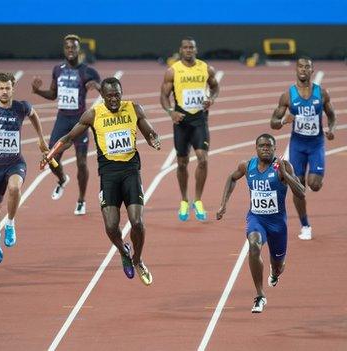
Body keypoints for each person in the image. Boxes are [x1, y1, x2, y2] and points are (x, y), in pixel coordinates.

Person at [43, 77, 161, 285]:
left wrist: (153, 139)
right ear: (103, 96)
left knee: (138, 223)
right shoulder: (93, 115)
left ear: (121, 93)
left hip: (131, 172)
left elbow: (149, 132)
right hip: (108, 175)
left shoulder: (134, 109)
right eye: (109, 96)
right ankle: (123, 250)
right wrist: (51, 153)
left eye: (117, 95)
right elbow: (69, 138)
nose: (114, 99)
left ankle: (138, 259)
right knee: (111, 227)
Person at [216, 134, 305, 313]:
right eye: (262, 146)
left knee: (278, 265)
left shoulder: (283, 166)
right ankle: (260, 295)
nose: (265, 148)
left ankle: (275, 272)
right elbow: (232, 178)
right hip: (257, 219)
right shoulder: (247, 166)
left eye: (269, 146)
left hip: (278, 224)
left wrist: (285, 175)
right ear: (256, 148)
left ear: (274, 149)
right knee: (254, 245)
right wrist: (223, 204)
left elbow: (301, 192)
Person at [0, 72, 48, 264]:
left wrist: (40, 138)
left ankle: (10, 223)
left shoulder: (21, 107)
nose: (4, 91)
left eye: (7, 88)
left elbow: (34, 115)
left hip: (15, 162)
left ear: (12, 88)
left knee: (15, 188)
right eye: (1, 88)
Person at [31, 34, 101, 215]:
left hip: (80, 121)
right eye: (68, 47)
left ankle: (81, 200)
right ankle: (62, 179)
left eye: (74, 47)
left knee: (81, 162)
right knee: (51, 157)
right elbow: (53, 94)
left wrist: (98, 87)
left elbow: (106, 91)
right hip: (62, 120)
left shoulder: (87, 71)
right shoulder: (58, 70)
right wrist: (38, 91)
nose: (71, 50)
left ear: (79, 50)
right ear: (64, 50)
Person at [269, 57, 337, 240]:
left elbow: (331, 116)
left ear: (312, 70)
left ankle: (315, 178)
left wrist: (331, 129)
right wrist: (284, 121)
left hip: (316, 145)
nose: (304, 69)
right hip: (297, 146)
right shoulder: (288, 96)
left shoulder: (321, 94)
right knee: (298, 188)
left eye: (307, 67)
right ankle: (305, 225)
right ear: (296, 70)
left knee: (314, 185)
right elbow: (273, 123)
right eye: (301, 66)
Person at [160, 36, 220, 222]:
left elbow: (215, 87)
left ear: (195, 50)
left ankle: (198, 200)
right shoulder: (173, 71)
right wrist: (171, 112)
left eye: (191, 47)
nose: (188, 50)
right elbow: (163, 95)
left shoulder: (206, 68)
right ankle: (184, 200)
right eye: (185, 47)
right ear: (180, 50)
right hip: (181, 121)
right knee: (182, 163)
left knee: (202, 159)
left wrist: (212, 98)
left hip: (200, 120)